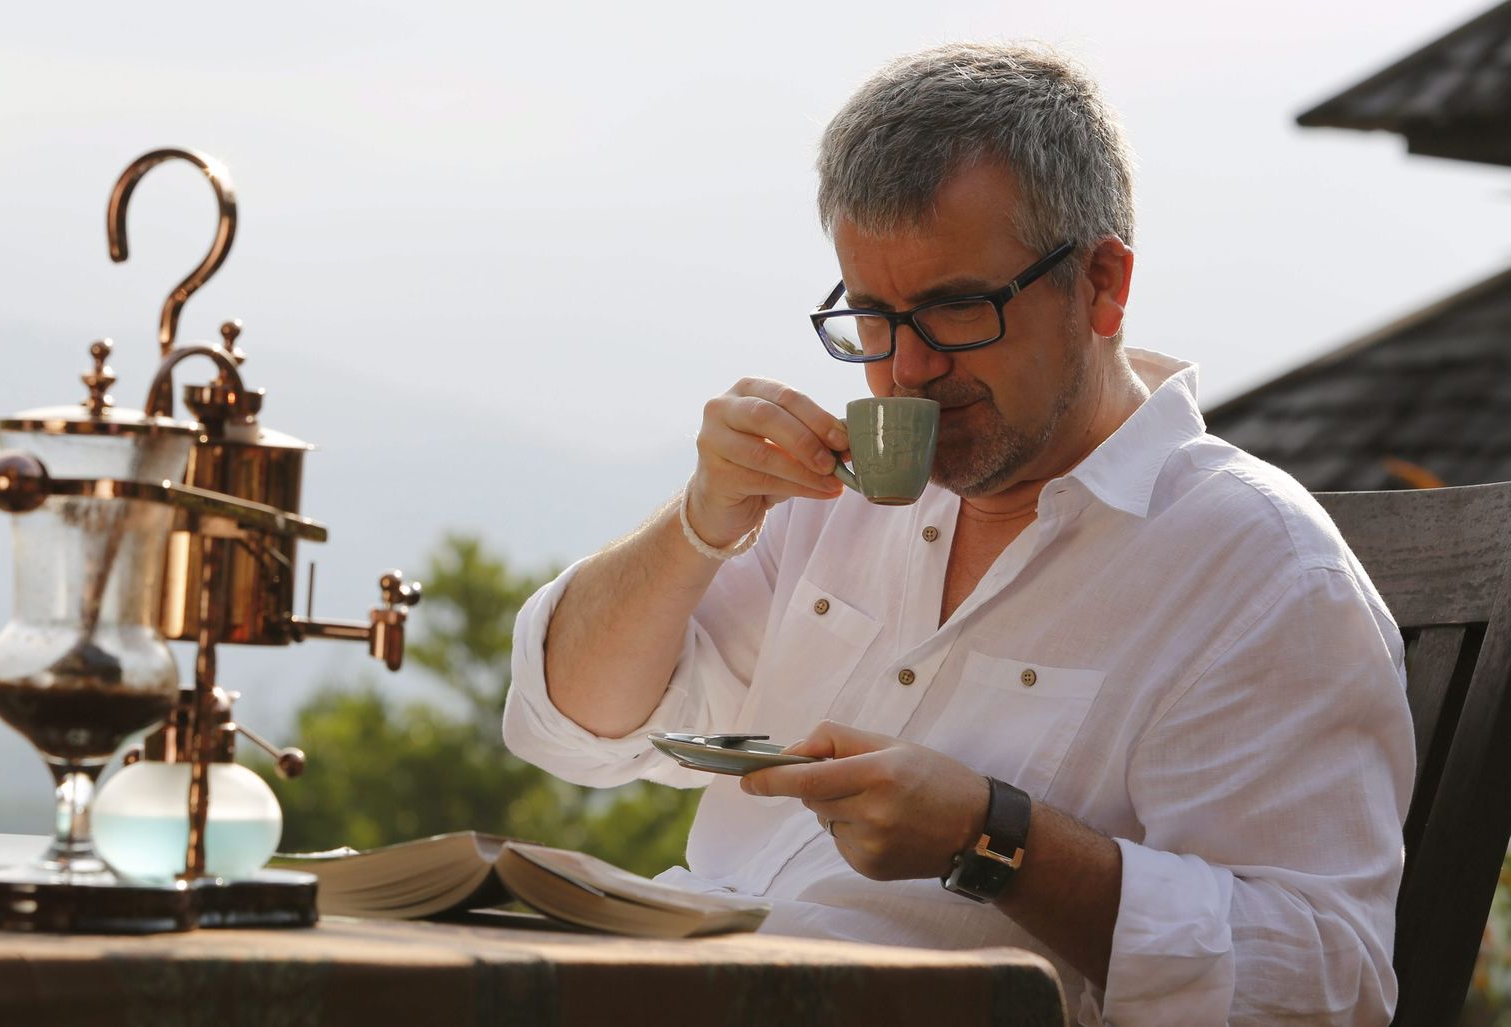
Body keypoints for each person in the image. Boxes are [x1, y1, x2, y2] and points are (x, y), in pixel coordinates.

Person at [504, 42, 1413, 1025]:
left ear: (1102, 283)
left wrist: (996, 840)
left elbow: (1322, 989)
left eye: (955, 310)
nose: (907, 370)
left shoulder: (1256, 570)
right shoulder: (832, 501)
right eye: (872, 318)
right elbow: (569, 727)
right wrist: (697, 523)